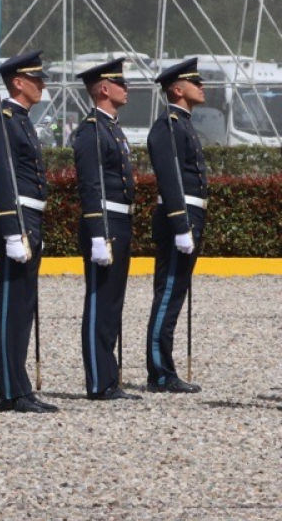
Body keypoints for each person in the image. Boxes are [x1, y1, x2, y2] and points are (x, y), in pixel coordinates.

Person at [0, 51, 57, 413]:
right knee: (12, 306)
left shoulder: (23, 121)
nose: (42, 84)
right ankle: (10, 391)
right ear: (18, 82)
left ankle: (21, 387)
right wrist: (12, 229)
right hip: (17, 220)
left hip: (31, 218)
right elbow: (4, 178)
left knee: (24, 306)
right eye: (36, 78)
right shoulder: (4, 121)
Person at [73, 58, 140, 401]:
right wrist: (98, 233)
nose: (125, 88)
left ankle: (109, 377)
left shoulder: (111, 127)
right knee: (101, 300)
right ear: (103, 89)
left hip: (120, 220)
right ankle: (99, 381)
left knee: (113, 302)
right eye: (120, 83)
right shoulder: (92, 131)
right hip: (105, 223)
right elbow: (91, 187)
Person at [145, 57, 208, 394]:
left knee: (175, 293)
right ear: (176, 89)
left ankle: (164, 368)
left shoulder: (183, 124)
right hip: (178, 220)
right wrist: (181, 224)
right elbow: (170, 179)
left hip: (189, 217)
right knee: (168, 294)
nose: (202, 86)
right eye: (195, 82)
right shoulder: (169, 125)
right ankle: (159, 371)